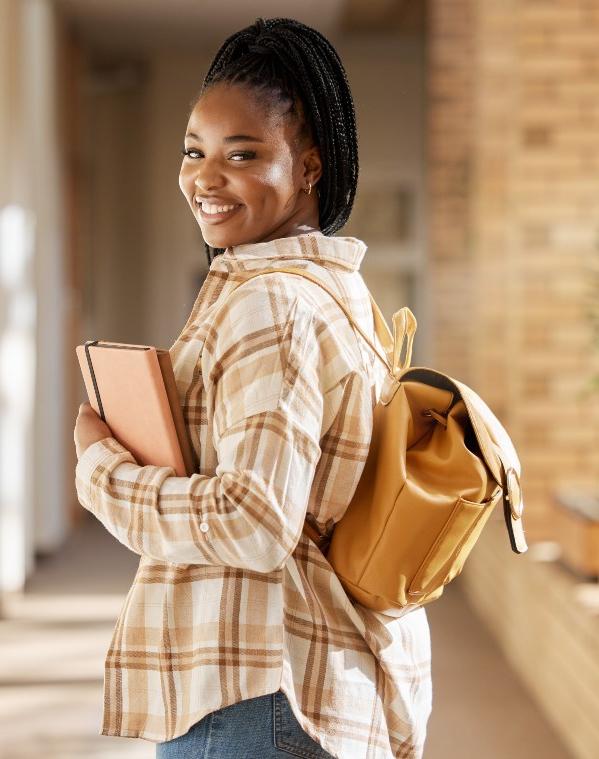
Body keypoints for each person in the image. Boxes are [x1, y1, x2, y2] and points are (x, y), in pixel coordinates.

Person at [73, 17, 431, 759]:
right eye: (194, 151)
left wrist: (103, 472)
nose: (206, 178)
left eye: (242, 154)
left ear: (308, 167)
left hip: (255, 698)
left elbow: (255, 517)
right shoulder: (338, 293)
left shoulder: (271, 302)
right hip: (300, 685)